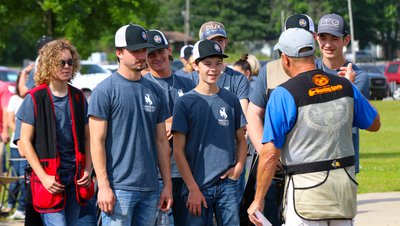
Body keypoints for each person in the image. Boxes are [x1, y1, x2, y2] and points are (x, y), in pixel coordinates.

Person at [247, 27, 381, 226]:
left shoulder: (283, 94)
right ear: (313, 52)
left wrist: (258, 200)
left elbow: (269, 154)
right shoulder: (345, 86)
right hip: (343, 188)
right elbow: (374, 124)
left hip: (305, 193)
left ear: (285, 58)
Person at [88, 24, 173, 226]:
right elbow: (96, 142)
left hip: (151, 187)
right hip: (118, 188)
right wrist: (104, 186)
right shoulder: (104, 91)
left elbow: (162, 141)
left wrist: (167, 185)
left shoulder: (155, 91)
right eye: (135, 51)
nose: (142, 55)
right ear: (119, 52)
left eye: (144, 50)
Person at [245, 13, 315, 225]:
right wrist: (263, 149)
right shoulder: (269, 70)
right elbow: (253, 114)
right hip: (272, 167)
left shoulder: (320, 71)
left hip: (307, 167)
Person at [17, 40, 94, 226]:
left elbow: (88, 137)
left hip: (76, 178)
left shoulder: (78, 97)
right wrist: (43, 177)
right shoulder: (35, 97)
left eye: (70, 62)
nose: (67, 66)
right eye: (61, 62)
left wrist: (88, 169)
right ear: (48, 64)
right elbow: (24, 142)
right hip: (50, 177)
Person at [172, 39, 247, 226]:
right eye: (207, 64)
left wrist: (238, 168)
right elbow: (178, 150)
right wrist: (192, 188)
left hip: (227, 186)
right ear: (195, 65)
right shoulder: (185, 102)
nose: (213, 69)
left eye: (218, 63)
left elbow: (241, 139)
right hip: (197, 185)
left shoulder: (231, 99)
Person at [144, 29, 195, 226]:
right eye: (151, 54)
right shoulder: (143, 85)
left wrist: (174, 121)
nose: (157, 58)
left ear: (169, 50)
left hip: (185, 171)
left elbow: (198, 119)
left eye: (160, 52)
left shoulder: (187, 83)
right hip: (155, 173)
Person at [315, 13, 370, 173]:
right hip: (311, 158)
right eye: (323, 37)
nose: (328, 44)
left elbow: (343, 113)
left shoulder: (358, 77)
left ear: (346, 40)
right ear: (317, 38)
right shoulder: (309, 71)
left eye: (334, 38)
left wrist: (348, 85)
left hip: (344, 159)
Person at [6, 71, 28, 220]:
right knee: (14, 179)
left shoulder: (34, 98)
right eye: (25, 79)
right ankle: (9, 204)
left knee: (24, 178)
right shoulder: (14, 99)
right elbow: (9, 121)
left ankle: (21, 208)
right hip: (16, 146)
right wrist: (22, 136)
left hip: (28, 147)